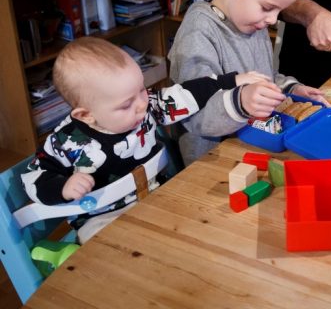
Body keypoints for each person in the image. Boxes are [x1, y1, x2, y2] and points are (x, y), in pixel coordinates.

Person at [21, 37, 252, 243]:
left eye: (142, 89)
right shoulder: (66, 141)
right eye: (126, 104)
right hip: (102, 218)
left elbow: (184, 94)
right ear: (86, 115)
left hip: (155, 196)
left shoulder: (145, 107)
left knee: (200, 223)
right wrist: (63, 187)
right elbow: (34, 176)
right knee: (113, 252)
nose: (142, 104)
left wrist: (230, 82)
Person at [168, 0, 327, 164]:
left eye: (279, 11)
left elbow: (266, 78)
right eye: (267, 8)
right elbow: (194, 114)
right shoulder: (198, 33)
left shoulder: (252, 22)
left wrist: (292, 90)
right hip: (211, 162)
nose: (273, 20)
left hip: (253, 146)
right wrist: (241, 101)